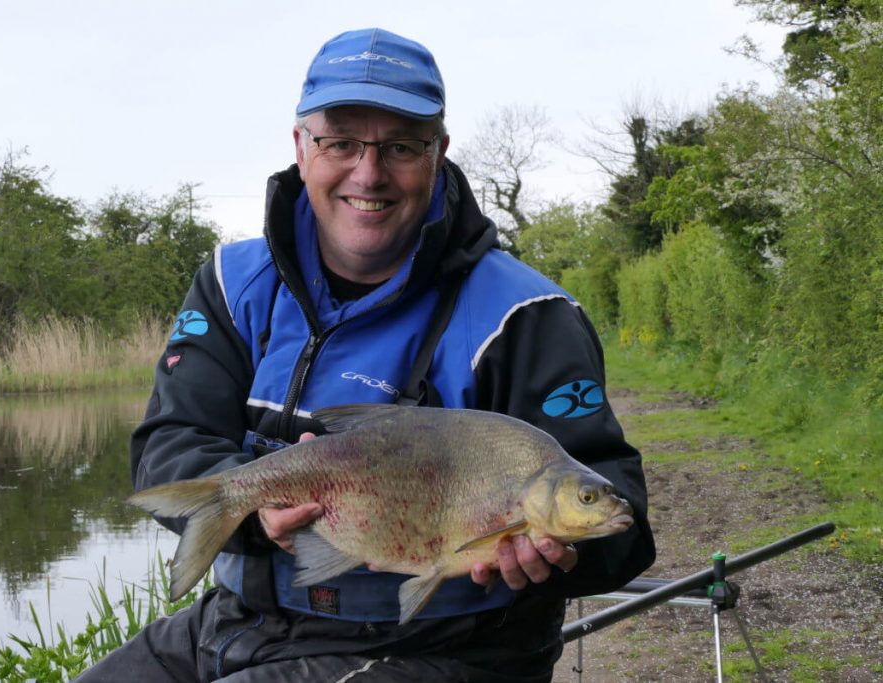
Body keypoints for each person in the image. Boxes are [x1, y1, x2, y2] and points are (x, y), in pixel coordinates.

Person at [77, 27, 654, 683]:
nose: (368, 172)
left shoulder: (527, 316)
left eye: (400, 146)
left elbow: (623, 523)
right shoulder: (231, 283)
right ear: (301, 146)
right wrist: (254, 512)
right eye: (341, 142)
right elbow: (168, 443)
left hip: (446, 650)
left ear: (438, 152)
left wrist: (558, 559)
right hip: (244, 617)